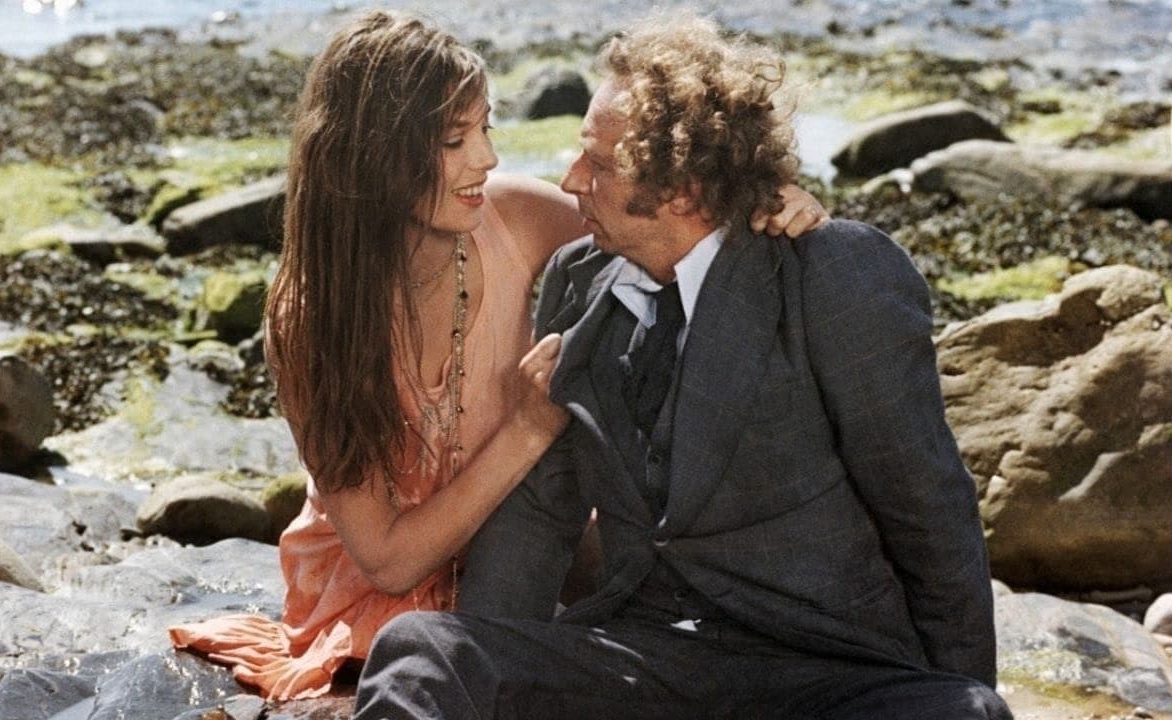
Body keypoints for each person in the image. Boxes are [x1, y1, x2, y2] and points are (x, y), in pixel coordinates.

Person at [354, 15, 1013, 720]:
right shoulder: (578, 279)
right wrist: (489, 666)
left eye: (599, 164)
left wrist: (964, 686)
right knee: (425, 652)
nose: (572, 181)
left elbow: (927, 509)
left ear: (684, 190)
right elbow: (543, 514)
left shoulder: (832, 273)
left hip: (827, 673)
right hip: (648, 662)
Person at [168, 10, 828, 701]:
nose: (485, 158)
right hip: (378, 597)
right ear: (373, 155)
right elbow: (388, 561)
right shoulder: (312, 318)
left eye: (486, 128)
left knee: (704, 618)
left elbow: (664, 226)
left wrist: (761, 199)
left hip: (524, 540)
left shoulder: (509, 217)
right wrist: (531, 427)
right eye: (456, 140)